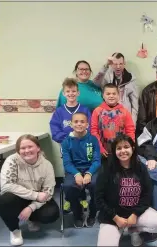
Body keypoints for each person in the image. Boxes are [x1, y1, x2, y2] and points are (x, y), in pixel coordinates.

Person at [96, 135, 157, 247]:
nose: (123, 151)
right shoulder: (106, 169)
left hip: (135, 214)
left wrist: (135, 214)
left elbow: (147, 195)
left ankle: (133, 230)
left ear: (132, 148)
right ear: (114, 151)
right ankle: (119, 229)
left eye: (126, 147)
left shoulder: (141, 168)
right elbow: (98, 198)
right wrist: (115, 217)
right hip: (112, 217)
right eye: (119, 148)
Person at [0, 135, 59, 246]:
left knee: (51, 214)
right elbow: (6, 186)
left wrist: (31, 207)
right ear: (18, 151)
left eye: (30, 147)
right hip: (18, 197)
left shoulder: (46, 165)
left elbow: (48, 192)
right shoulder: (11, 161)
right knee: (5, 200)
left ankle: (32, 218)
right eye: (22, 148)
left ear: (38, 148)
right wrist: (35, 195)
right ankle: (15, 231)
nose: (27, 151)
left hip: (36, 199)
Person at [50, 78, 91, 213]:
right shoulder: (59, 112)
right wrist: (69, 139)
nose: (71, 94)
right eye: (68, 91)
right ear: (63, 93)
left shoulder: (85, 110)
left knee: (84, 173)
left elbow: (90, 128)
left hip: (84, 149)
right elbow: (55, 131)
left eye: (73, 91)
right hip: (67, 150)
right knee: (70, 175)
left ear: (78, 93)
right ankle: (70, 198)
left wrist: (81, 139)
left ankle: (82, 197)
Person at [62, 112, 101, 228]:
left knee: (95, 184)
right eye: (76, 122)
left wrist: (89, 173)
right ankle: (77, 213)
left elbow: (97, 160)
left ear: (87, 124)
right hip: (74, 170)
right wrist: (76, 174)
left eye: (82, 122)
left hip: (91, 169)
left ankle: (92, 213)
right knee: (69, 186)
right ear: (71, 124)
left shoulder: (93, 140)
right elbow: (67, 163)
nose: (79, 124)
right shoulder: (66, 142)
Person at [91, 83, 136, 161]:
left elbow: (130, 130)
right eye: (108, 94)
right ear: (103, 96)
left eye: (114, 93)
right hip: (103, 152)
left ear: (118, 95)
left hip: (121, 152)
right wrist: (99, 147)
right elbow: (94, 131)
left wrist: (130, 146)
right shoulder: (97, 111)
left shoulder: (124, 112)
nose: (111, 96)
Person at [94, 53, 139, 123]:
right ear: (111, 64)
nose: (118, 67)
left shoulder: (131, 78)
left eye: (121, 64)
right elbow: (96, 83)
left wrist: (132, 123)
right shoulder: (106, 76)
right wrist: (106, 66)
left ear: (124, 64)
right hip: (108, 117)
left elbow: (135, 104)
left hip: (125, 118)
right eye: (115, 64)